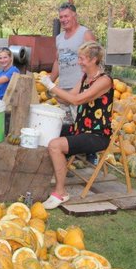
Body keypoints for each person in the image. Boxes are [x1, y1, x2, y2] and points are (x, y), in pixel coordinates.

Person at [39, 41, 114, 209]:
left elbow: (77, 100)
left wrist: (52, 85)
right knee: (47, 132)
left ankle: (60, 192)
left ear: (94, 59)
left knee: (55, 145)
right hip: (80, 128)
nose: (79, 62)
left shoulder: (105, 81)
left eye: (82, 59)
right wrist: (49, 90)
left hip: (97, 135)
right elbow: (67, 98)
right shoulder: (85, 78)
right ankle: (51, 175)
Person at [48, 2, 96, 122]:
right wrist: (49, 82)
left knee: (81, 122)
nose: (63, 19)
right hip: (63, 89)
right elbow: (58, 61)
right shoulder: (59, 38)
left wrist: (88, 82)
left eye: (66, 16)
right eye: (61, 17)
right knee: (66, 124)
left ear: (74, 16)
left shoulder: (85, 34)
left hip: (81, 88)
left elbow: (95, 60)